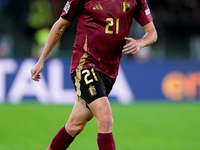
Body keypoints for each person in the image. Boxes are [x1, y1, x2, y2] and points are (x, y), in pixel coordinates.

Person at [31, 0, 157, 149]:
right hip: (86, 64)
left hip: (110, 71)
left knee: (75, 125)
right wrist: (41, 60)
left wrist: (140, 43)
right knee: (106, 119)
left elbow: (152, 33)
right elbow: (60, 25)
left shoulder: (136, 1)